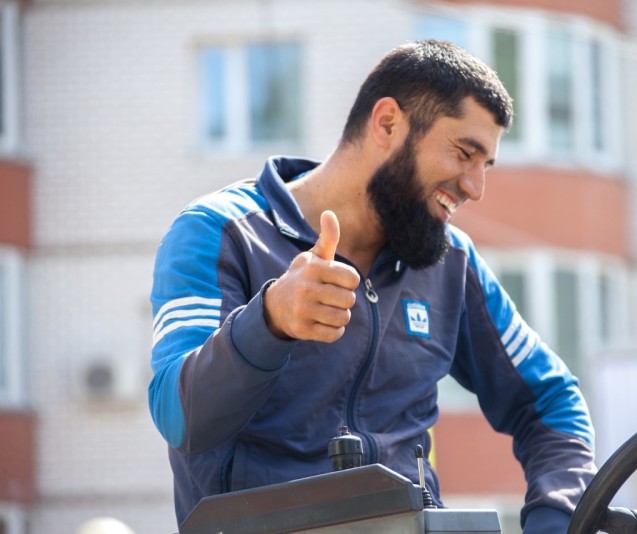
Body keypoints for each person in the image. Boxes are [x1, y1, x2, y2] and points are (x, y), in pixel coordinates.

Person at [149, 39, 596, 533]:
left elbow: (552, 400)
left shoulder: (452, 261)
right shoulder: (219, 232)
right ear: (387, 123)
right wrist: (269, 321)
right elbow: (180, 418)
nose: (475, 187)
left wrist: (557, 519)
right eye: (464, 153)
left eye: (484, 165)